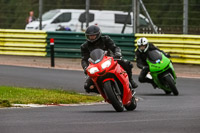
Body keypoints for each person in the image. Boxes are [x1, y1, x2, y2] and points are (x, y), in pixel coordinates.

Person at [81, 25, 138, 93]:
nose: (91, 37)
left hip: (109, 61)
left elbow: (115, 48)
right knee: (87, 86)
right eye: (90, 36)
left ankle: (130, 80)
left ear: (98, 34)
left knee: (126, 63)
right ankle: (106, 92)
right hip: (95, 66)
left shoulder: (105, 39)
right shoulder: (84, 46)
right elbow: (84, 59)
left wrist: (117, 53)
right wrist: (85, 68)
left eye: (93, 35)